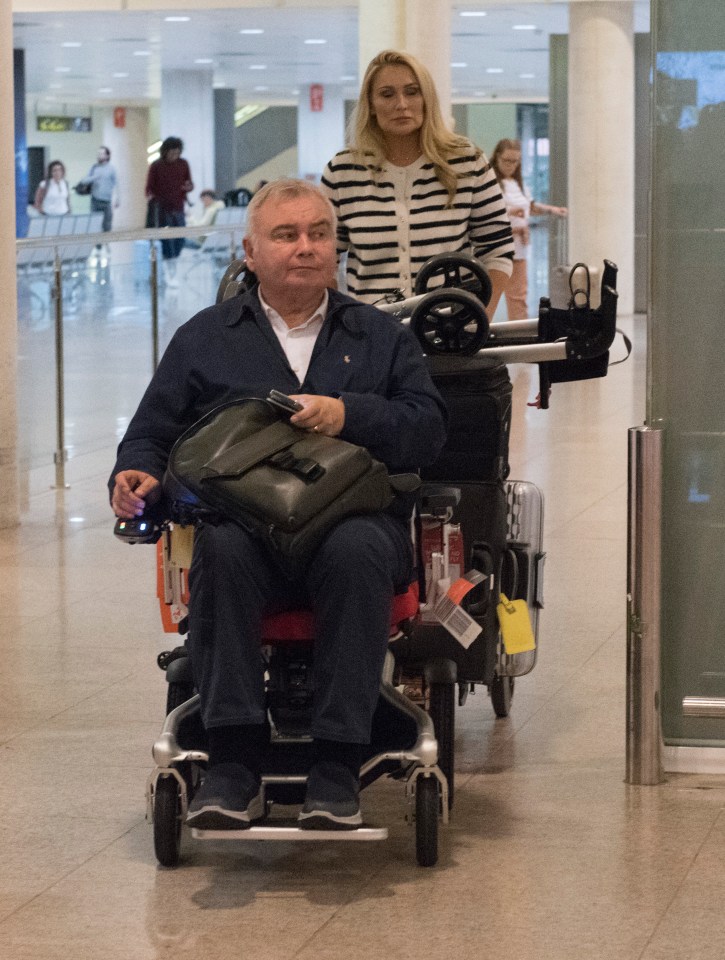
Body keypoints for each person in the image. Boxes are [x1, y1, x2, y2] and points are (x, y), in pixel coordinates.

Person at [109, 178, 447, 831]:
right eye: (286, 236)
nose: (304, 248)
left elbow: (427, 430)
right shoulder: (206, 338)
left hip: (353, 524)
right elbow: (151, 433)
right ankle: (232, 761)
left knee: (353, 552)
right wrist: (134, 474)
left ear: (335, 245)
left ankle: (337, 767)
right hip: (244, 524)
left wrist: (349, 413)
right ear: (250, 251)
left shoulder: (378, 337)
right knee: (224, 550)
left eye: (318, 234)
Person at [320, 49, 514, 312]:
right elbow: (324, 257)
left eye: (412, 91)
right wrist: (338, 318)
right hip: (371, 334)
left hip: (450, 333)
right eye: (387, 94)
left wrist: (480, 317)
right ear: (371, 104)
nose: (401, 104)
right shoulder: (342, 172)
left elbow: (498, 250)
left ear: (426, 98)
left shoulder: (467, 162)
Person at [491, 138, 568, 321]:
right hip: (498, 248)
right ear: (497, 158)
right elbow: (489, 210)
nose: (511, 165)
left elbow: (529, 206)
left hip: (519, 247)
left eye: (515, 161)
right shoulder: (491, 182)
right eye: (506, 161)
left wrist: (552, 210)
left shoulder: (518, 183)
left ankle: (517, 336)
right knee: (490, 296)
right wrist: (510, 211)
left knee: (519, 296)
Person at [145, 136, 194, 286]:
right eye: (172, 153)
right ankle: (168, 274)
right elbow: (149, 188)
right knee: (167, 242)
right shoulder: (156, 166)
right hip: (162, 209)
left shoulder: (183, 164)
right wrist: (152, 199)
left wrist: (187, 187)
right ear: (165, 152)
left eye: (177, 153)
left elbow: (189, 183)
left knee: (180, 240)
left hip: (178, 207)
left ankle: (172, 270)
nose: (174, 156)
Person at [78, 145, 119, 233]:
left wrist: (117, 198)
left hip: (106, 201)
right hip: (95, 200)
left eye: (101, 153)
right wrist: (94, 177)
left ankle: (105, 244)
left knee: (107, 226)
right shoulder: (94, 168)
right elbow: (84, 180)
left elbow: (116, 184)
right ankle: (97, 245)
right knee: (94, 225)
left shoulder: (111, 169)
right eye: (98, 153)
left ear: (107, 156)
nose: (99, 155)